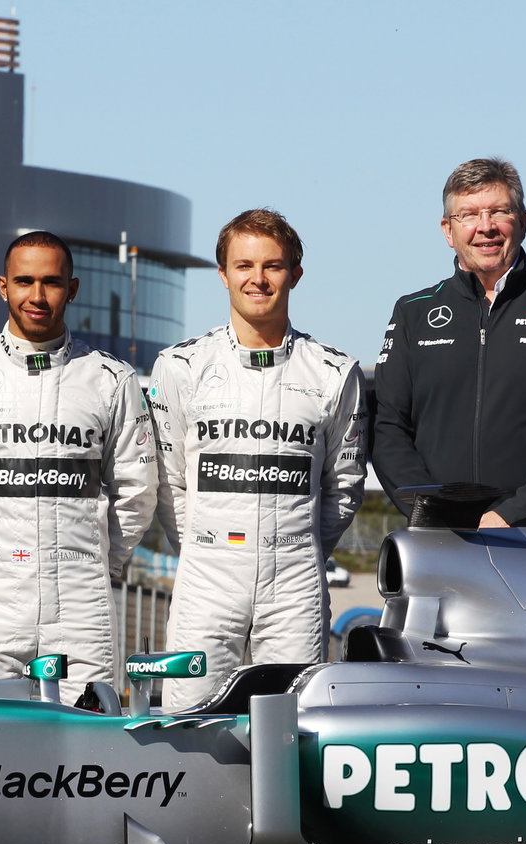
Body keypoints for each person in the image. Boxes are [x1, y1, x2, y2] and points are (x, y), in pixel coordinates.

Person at [0, 231, 155, 699]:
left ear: (73, 288)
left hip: (81, 600)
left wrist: (97, 562)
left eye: (51, 282)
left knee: (88, 745)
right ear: (3, 286)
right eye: (24, 281)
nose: (38, 296)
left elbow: (137, 488)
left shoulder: (111, 378)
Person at [150, 209, 366, 707]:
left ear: (296, 273)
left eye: (273, 266)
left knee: (293, 728)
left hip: (294, 579)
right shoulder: (181, 366)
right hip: (205, 574)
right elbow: (169, 483)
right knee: (189, 722)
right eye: (244, 265)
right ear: (222, 273)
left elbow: (344, 486)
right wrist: (207, 548)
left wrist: (298, 547)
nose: (258, 279)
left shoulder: (334, 372)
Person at [373, 158, 526, 526]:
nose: (485, 227)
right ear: (447, 230)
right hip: (442, 540)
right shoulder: (413, 312)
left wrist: (513, 513)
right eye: (468, 215)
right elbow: (388, 426)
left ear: (523, 221)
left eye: (499, 211)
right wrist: (433, 512)